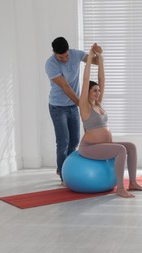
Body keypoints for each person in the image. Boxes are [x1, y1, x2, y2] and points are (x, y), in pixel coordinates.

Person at [78, 45, 142, 198]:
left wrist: (100, 57)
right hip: (89, 147)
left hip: (103, 145)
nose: (98, 92)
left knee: (131, 147)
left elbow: (102, 79)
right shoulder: (84, 106)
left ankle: (133, 182)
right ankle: (120, 189)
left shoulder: (99, 103)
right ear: (88, 93)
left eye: (99, 90)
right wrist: (90, 56)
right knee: (121, 150)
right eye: (94, 90)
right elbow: (85, 80)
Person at [45, 37, 101, 184]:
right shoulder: (50, 64)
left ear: (69, 50)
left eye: (66, 56)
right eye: (60, 57)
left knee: (75, 140)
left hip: (72, 107)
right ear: (54, 53)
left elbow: (94, 62)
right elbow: (66, 87)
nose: (64, 59)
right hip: (58, 107)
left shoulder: (76, 54)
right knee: (63, 141)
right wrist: (82, 104)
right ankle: (64, 176)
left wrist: (97, 54)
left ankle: (65, 169)